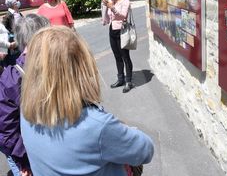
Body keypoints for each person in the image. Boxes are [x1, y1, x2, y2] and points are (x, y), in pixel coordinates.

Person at [20, 26, 154, 176]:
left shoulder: (26, 113)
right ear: (81, 68)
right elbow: (145, 150)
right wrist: (126, 129)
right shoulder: (96, 125)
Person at [0, 14, 50, 176]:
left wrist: (25, 161)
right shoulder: (57, 64)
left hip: (29, 152)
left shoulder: (11, 76)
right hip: (52, 148)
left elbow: (6, 127)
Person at [102, 0, 134, 93]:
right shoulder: (111, 1)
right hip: (112, 31)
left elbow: (123, 16)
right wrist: (105, 7)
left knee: (125, 57)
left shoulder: (125, 1)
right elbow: (105, 20)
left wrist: (112, 8)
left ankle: (128, 81)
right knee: (117, 56)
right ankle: (120, 79)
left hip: (122, 31)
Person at [2, 0, 23, 65]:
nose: (18, 2)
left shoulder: (19, 13)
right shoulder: (8, 16)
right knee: (16, 56)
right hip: (14, 40)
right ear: (12, 5)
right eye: (16, 1)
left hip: (21, 38)